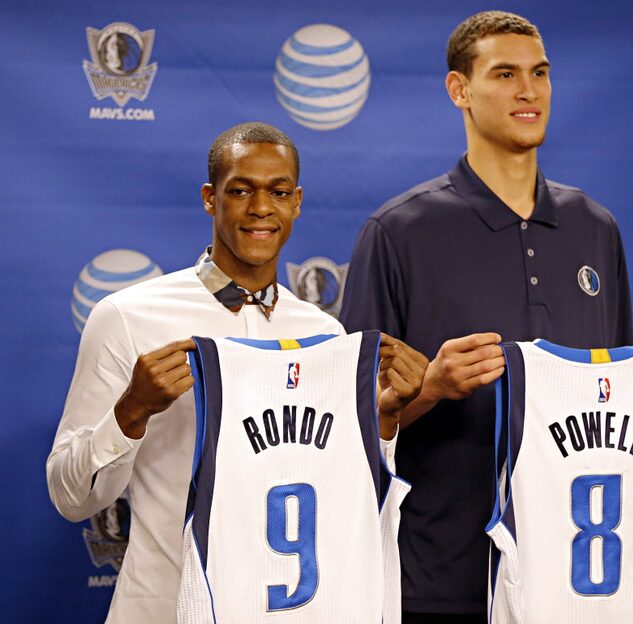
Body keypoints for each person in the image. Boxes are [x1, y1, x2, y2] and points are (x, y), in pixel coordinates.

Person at [339, 11, 633, 622]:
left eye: (540, 73)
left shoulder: (595, 228)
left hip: (578, 583)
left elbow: (611, 400)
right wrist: (432, 388)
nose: (528, 91)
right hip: (443, 578)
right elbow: (348, 430)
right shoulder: (399, 231)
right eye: (505, 74)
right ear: (459, 90)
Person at [47, 122, 427, 623]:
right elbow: (71, 497)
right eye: (241, 190)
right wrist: (131, 410)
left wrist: (383, 422)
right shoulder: (127, 316)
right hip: (160, 608)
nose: (261, 208)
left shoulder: (324, 333)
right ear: (210, 198)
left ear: (297, 201)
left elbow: (338, 497)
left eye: (278, 191)